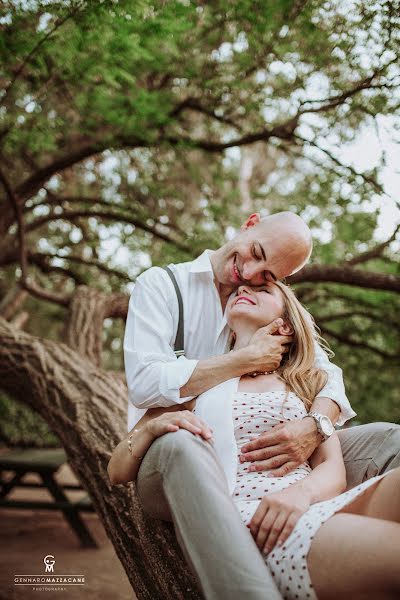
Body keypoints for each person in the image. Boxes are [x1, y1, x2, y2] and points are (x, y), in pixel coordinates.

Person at [121, 211, 400, 600]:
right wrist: (243, 360)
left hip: (268, 458)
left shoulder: (269, 313)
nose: (249, 273)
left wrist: (316, 424)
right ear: (250, 223)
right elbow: (146, 385)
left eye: (268, 276)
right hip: (168, 453)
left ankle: (337, 532)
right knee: (184, 444)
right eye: (254, 252)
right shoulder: (164, 286)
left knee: (390, 440)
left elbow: (327, 377)